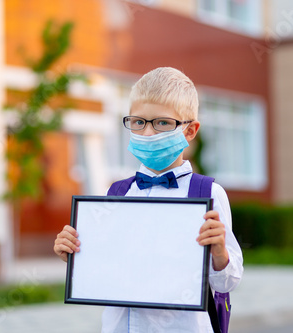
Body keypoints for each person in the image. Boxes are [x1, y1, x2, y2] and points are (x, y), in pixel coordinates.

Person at [54, 67, 243, 332]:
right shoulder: (117, 193)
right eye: (138, 122)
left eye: (162, 123)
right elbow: (106, 265)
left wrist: (219, 253)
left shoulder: (208, 193)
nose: (148, 134)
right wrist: (74, 254)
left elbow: (227, 283)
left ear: (190, 131)